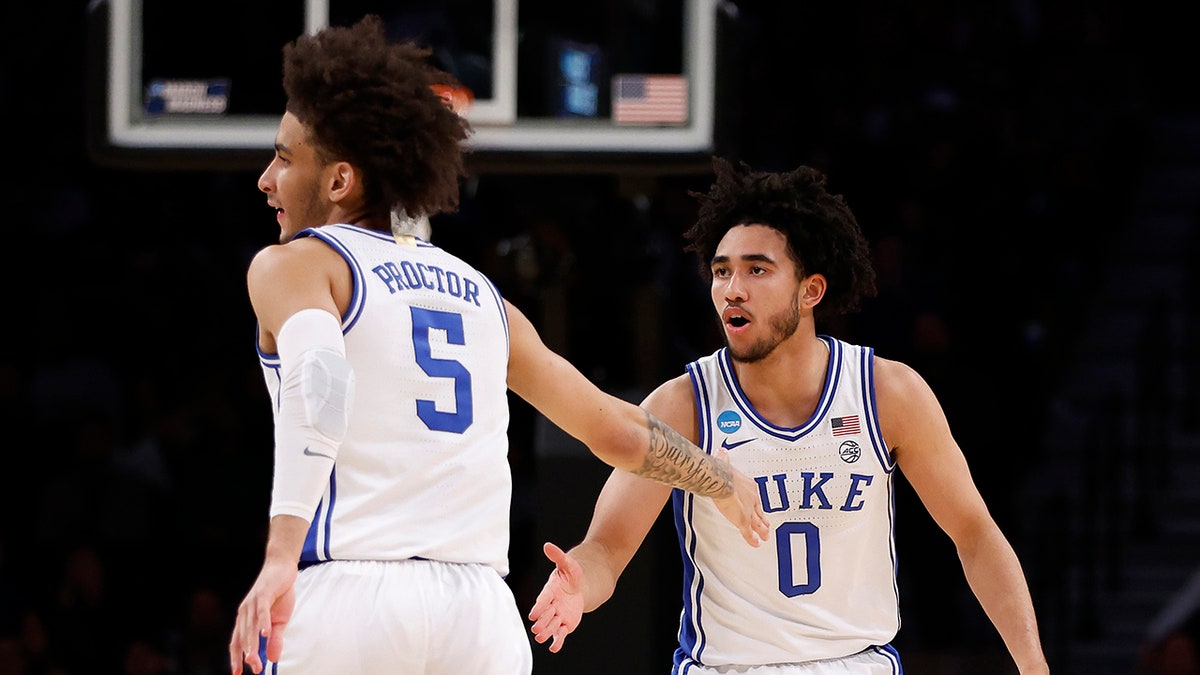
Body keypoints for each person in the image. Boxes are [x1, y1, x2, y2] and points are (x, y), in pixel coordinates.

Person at [226, 16, 769, 675]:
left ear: (339, 181)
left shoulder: (296, 264)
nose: (265, 177)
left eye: (284, 157)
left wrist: (281, 553)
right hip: (480, 615)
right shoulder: (484, 297)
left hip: (352, 599)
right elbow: (615, 429)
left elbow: (320, 380)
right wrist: (716, 477)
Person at [528, 157, 1051, 674]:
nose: (732, 288)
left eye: (756, 269)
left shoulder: (887, 394)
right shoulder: (683, 405)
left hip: (855, 664)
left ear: (811, 291)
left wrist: (1032, 664)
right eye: (721, 271)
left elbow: (974, 534)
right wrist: (580, 583)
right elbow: (608, 549)